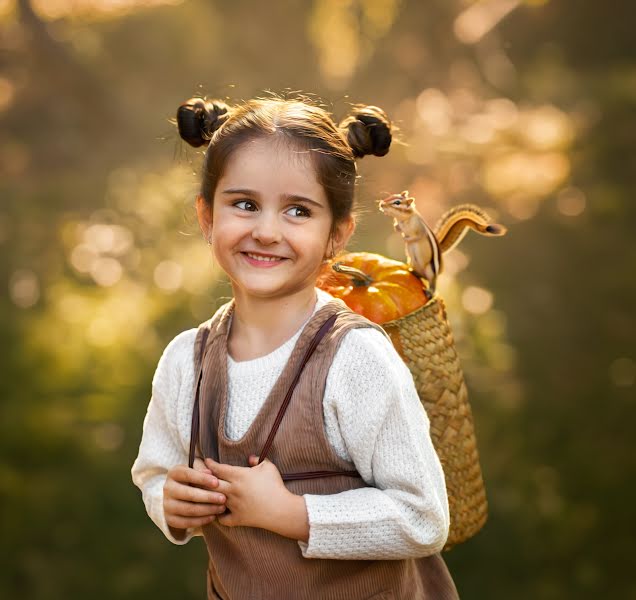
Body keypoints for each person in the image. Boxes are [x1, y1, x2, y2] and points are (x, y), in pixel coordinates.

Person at [131, 93, 459, 599]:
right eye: (244, 204)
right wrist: (170, 503)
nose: (265, 231)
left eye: (298, 211)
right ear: (206, 216)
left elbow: (424, 517)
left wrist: (291, 514)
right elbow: (155, 471)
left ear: (336, 236)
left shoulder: (355, 359)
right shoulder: (185, 362)